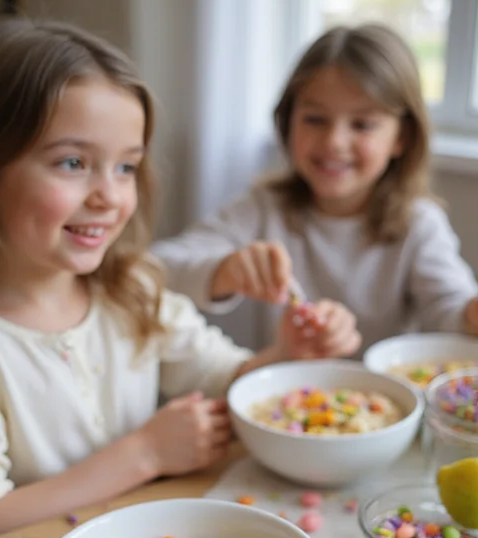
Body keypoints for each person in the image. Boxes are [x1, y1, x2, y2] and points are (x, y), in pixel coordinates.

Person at [0, 16, 360, 538]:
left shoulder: (132, 287)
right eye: (73, 163)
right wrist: (144, 454)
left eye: (125, 168)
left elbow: (223, 379)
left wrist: (286, 351)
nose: (110, 196)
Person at [153, 23, 478, 353]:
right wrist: (224, 271)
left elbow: (450, 309)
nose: (334, 142)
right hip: (280, 396)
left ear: (402, 138)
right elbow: (156, 268)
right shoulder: (263, 208)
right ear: (288, 120)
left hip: (389, 402)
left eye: (362, 124)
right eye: (315, 119)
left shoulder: (419, 224)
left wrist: (470, 314)